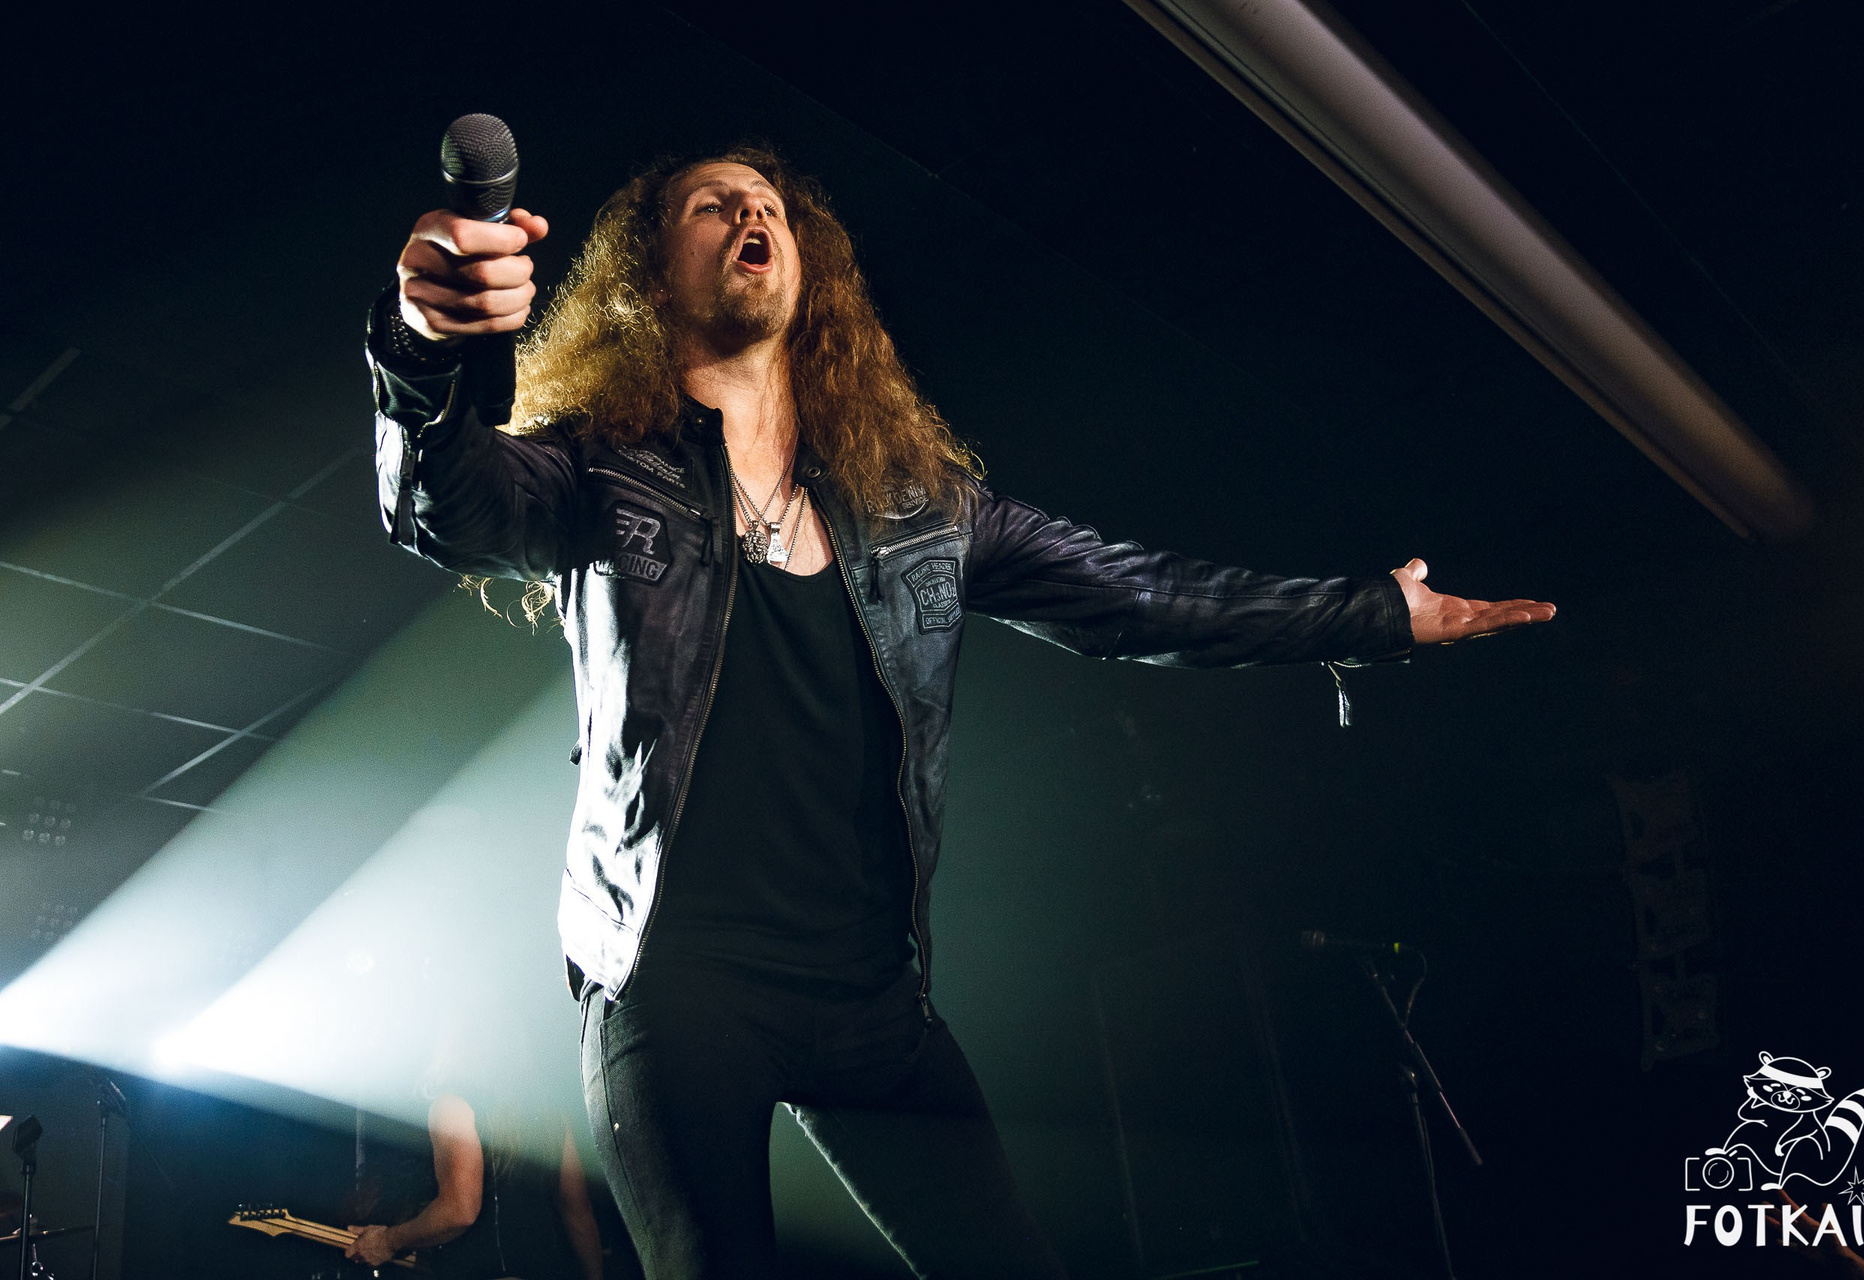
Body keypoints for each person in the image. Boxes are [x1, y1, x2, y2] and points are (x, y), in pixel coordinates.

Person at [369, 145, 1554, 1279]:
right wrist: (421, 343)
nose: (752, 214)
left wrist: (1370, 614)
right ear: (649, 279)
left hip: (871, 997)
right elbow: (443, 502)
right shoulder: (597, 470)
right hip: (676, 986)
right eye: (711, 204)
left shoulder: (917, 507)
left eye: (768, 202)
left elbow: (1142, 595)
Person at [342, 1090, 604, 1280]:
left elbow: (459, 1211)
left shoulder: (453, 1106)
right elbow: (579, 1214)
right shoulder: (551, 1112)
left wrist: (388, 1241)